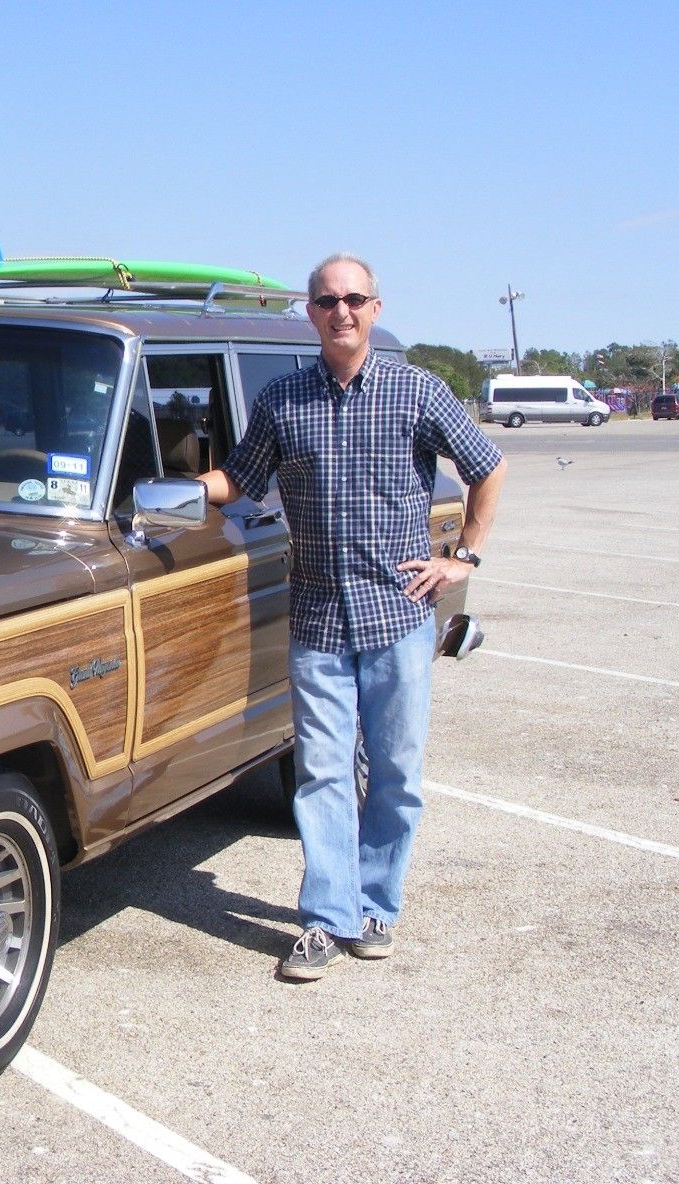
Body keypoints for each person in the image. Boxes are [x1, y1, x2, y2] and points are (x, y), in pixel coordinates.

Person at [198, 254, 507, 981]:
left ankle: (377, 908)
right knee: (323, 776)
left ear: (375, 307)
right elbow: (240, 477)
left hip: (398, 616)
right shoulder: (282, 401)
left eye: (354, 299)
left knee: (395, 773)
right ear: (310, 312)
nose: (341, 311)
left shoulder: (416, 391)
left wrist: (464, 558)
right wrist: (175, 490)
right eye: (328, 300)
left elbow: (487, 467)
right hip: (316, 619)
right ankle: (326, 919)